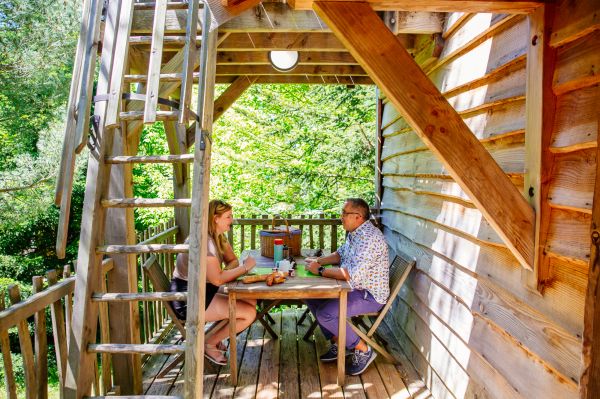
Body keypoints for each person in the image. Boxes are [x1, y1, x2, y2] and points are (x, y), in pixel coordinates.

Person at [305, 198, 389, 376]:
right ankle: (339, 341)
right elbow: (340, 254)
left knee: (325, 313)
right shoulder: (355, 232)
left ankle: (363, 349)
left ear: (358, 216)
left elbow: (351, 274)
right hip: (354, 288)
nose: (341, 217)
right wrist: (317, 261)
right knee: (310, 295)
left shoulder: (369, 239)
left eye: (344, 213)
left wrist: (320, 270)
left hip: (369, 295)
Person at [170, 199, 257, 366]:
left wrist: (226, 272)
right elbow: (218, 278)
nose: (232, 220)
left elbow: (232, 261)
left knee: (250, 299)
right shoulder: (205, 241)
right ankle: (209, 342)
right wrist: (245, 268)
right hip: (189, 300)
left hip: (203, 291)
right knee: (249, 313)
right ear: (215, 218)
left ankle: (212, 337)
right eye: (228, 217)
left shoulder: (217, 237)